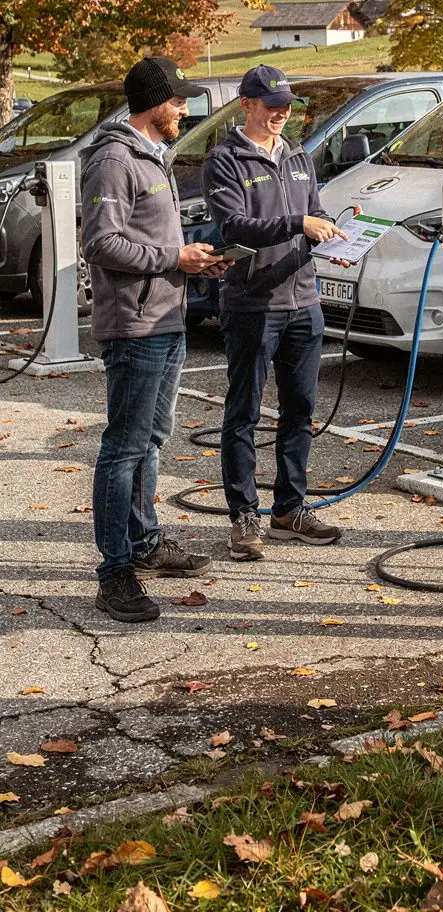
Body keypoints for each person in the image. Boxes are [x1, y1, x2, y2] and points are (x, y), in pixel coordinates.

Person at [81, 56, 226, 623]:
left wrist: (194, 265)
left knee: (150, 441)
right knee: (123, 447)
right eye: (178, 100)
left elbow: (147, 240)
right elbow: (101, 242)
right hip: (135, 327)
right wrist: (173, 257)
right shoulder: (115, 160)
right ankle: (114, 570)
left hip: (166, 319)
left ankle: (143, 543)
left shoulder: (151, 155)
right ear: (153, 102)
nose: (185, 109)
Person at [201, 65, 350, 561]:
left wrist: (331, 232)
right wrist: (298, 222)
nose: (281, 113)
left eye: (287, 105)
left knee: (300, 409)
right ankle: (244, 516)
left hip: (303, 302)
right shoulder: (225, 160)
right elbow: (236, 225)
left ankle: (289, 509)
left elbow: (316, 212)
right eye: (271, 105)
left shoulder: (299, 156)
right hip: (252, 305)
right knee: (242, 412)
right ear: (246, 104)